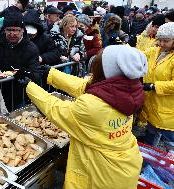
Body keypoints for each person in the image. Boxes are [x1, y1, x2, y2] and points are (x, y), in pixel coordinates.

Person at [17, 45, 146, 189]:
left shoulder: (92, 105)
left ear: (105, 70)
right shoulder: (130, 89)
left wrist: (29, 86)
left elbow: (56, 110)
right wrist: (51, 74)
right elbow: (85, 86)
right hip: (125, 166)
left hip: (100, 174)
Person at [0, 9, 40, 111]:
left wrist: (22, 73)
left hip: (18, 95)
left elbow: (35, 74)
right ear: (4, 29)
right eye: (8, 30)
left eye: (15, 30)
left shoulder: (31, 48)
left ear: (22, 29)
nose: (11, 34)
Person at [141, 22, 174, 151]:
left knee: (170, 146)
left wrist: (154, 86)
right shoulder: (156, 51)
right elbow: (139, 54)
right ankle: (148, 167)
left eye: (166, 41)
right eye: (160, 40)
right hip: (152, 109)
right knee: (150, 146)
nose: (161, 44)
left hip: (167, 112)